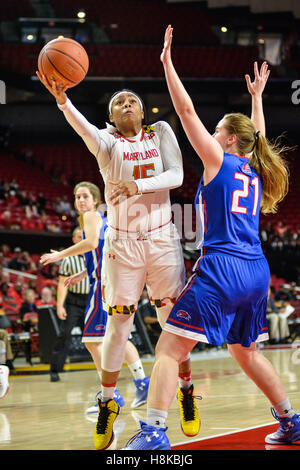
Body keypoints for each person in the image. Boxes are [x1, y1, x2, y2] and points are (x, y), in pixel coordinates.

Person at [123, 26, 300, 450]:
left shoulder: (219, 159)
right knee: (246, 351)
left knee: (169, 350)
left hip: (221, 267)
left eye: (218, 130)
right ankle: (291, 422)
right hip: (257, 271)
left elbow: (185, 113)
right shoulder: (255, 167)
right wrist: (257, 100)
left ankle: (153, 433)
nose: (213, 134)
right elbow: (256, 136)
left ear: (229, 139)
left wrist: (168, 64)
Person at [36, 68, 198, 450]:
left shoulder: (160, 132)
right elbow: (83, 129)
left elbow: (175, 175)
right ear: (110, 117)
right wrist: (63, 101)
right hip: (122, 244)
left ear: (142, 113)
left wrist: (137, 185)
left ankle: (186, 390)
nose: (127, 105)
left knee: (171, 322)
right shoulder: (106, 141)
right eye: (118, 104)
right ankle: (108, 400)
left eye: (133, 102)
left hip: (162, 241)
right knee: (118, 325)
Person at [40, 181, 150, 448]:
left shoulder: (90, 217)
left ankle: (110, 395)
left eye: (85, 196)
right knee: (118, 339)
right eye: (77, 196)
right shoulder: (103, 217)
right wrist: (81, 273)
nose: (80, 200)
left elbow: (89, 243)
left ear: (94, 199)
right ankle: (140, 382)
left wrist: (60, 257)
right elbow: (98, 251)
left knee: (93, 341)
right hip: (109, 281)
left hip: (103, 287)